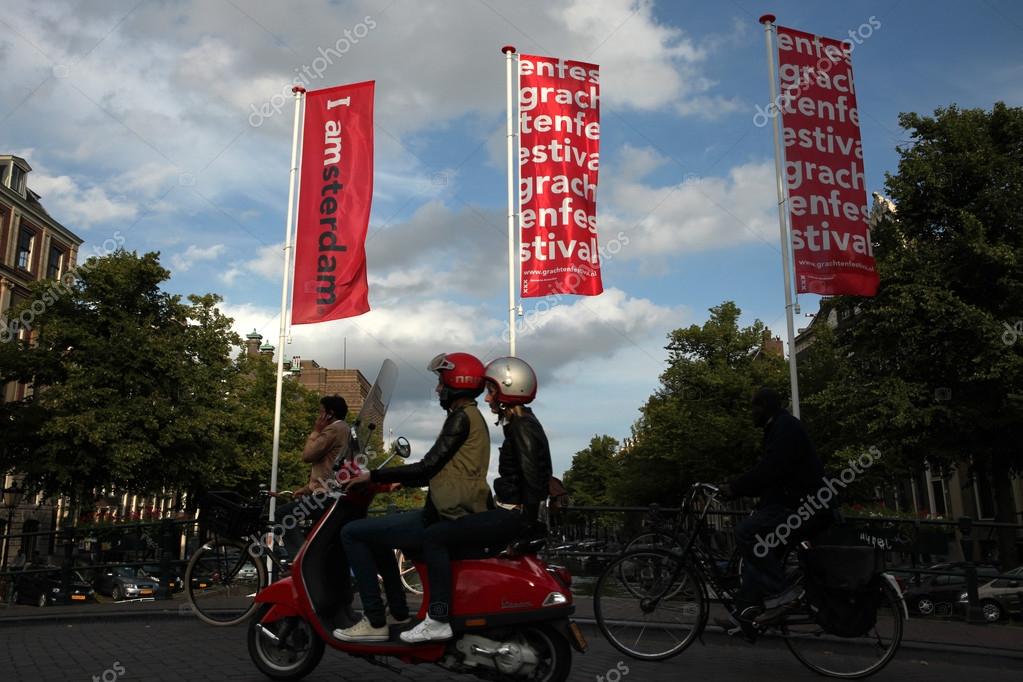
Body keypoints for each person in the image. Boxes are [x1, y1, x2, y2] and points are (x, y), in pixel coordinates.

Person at [394, 356, 554, 645]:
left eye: (492, 391)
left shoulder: (522, 427)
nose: (488, 397)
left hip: (513, 516)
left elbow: (532, 479)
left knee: (434, 537)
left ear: (508, 390)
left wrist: (526, 525)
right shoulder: (522, 422)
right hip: (512, 514)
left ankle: (438, 618)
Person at [334, 352, 492, 643]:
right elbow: (436, 470)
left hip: (445, 515)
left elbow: (429, 464)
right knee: (376, 536)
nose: (437, 389)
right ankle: (398, 611)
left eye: (441, 383)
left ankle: (374, 620)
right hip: (453, 510)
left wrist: (373, 476)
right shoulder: (471, 417)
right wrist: (398, 483)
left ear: (457, 382)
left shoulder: (460, 419)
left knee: (352, 533)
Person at [720, 387, 827, 633]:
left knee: (746, 533)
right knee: (756, 557)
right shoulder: (778, 427)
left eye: (753, 407)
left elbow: (771, 469)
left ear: (764, 407)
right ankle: (745, 616)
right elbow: (777, 477)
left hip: (806, 506)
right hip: (798, 503)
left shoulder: (784, 427)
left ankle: (783, 597)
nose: (750, 413)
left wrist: (735, 488)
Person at [277, 394, 351, 560]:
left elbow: (308, 455)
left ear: (329, 414)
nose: (319, 416)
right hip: (332, 493)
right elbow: (328, 466)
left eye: (321, 412)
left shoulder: (333, 429)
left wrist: (316, 431)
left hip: (325, 496)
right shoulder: (347, 429)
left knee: (283, 515)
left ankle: (300, 560)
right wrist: (306, 489)